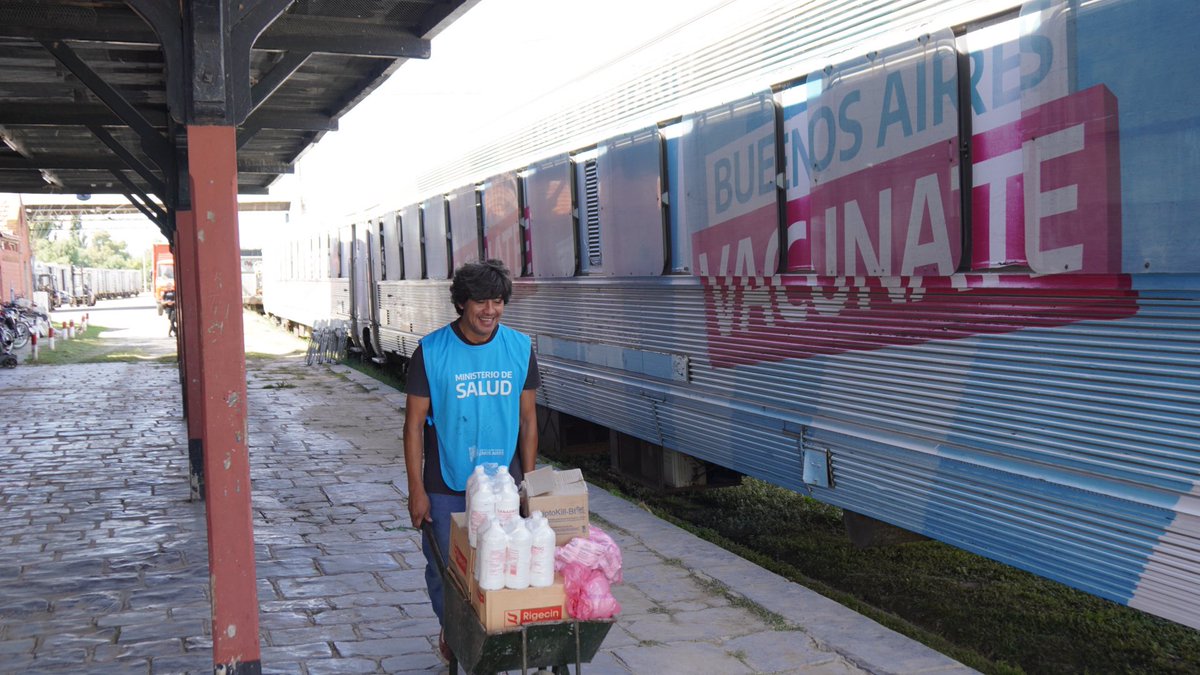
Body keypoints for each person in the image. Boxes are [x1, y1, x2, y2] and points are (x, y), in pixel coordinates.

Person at [403, 259, 539, 661]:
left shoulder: (518, 348)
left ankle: (491, 642)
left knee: (501, 564)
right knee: (446, 569)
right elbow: (412, 427)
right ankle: (455, 630)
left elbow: (529, 420)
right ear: (462, 303)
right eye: (481, 301)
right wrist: (416, 490)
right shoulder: (430, 352)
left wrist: (528, 483)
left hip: (503, 484)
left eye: (498, 301)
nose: (490, 311)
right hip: (446, 482)